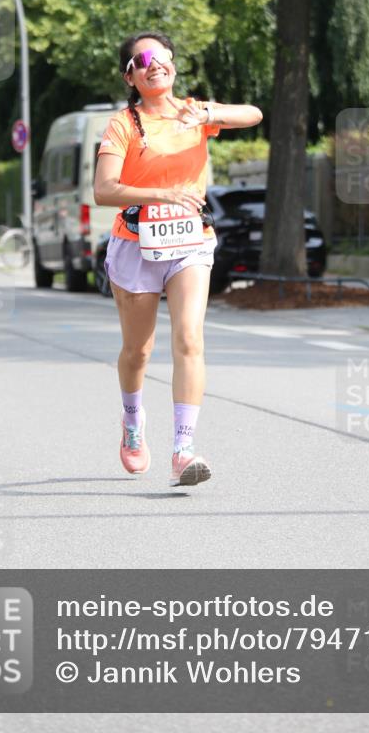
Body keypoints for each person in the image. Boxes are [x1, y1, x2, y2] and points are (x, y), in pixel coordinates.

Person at [94, 31, 262, 487]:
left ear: (172, 61)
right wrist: (160, 193)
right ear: (130, 75)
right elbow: (104, 189)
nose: (154, 63)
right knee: (138, 350)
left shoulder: (195, 113)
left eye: (160, 55)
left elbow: (254, 114)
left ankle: (183, 451)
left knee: (189, 338)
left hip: (190, 240)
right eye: (141, 59)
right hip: (135, 243)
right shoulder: (123, 125)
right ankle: (132, 423)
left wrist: (207, 113)